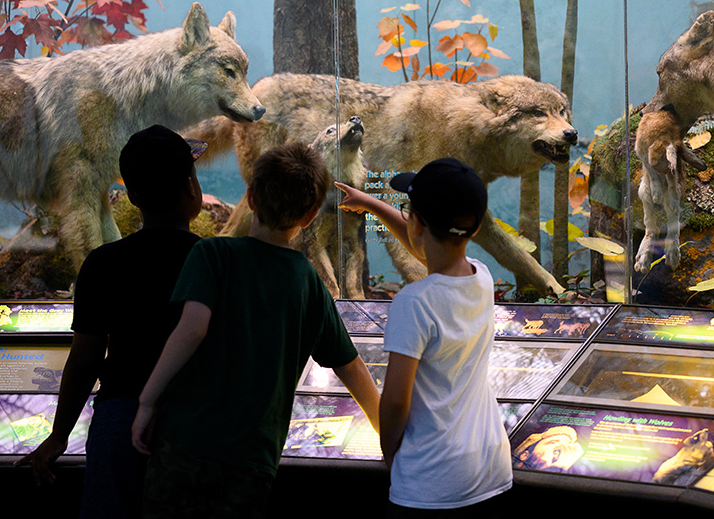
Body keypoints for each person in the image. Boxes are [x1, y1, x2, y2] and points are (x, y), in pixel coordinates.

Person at [131, 143, 380, 518]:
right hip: (252, 460)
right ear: (311, 216)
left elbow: (192, 329)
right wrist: (391, 437)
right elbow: (352, 369)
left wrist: (148, 401)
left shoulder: (212, 255)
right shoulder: (308, 283)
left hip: (186, 442)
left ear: (249, 197)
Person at [14, 124, 207, 519]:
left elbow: (85, 359)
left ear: (132, 196)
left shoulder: (103, 263)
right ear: (192, 189)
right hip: (196, 420)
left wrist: (59, 435)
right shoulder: (216, 261)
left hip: (119, 420)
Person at [336, 157, 513, 517]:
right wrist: (370, 203)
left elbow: (397, 401)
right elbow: (430, 249)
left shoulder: (414, 303)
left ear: (416, 222)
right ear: (474, 229)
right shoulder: (481, 277)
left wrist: (391, 454)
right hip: (490, 466)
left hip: (432, 482)